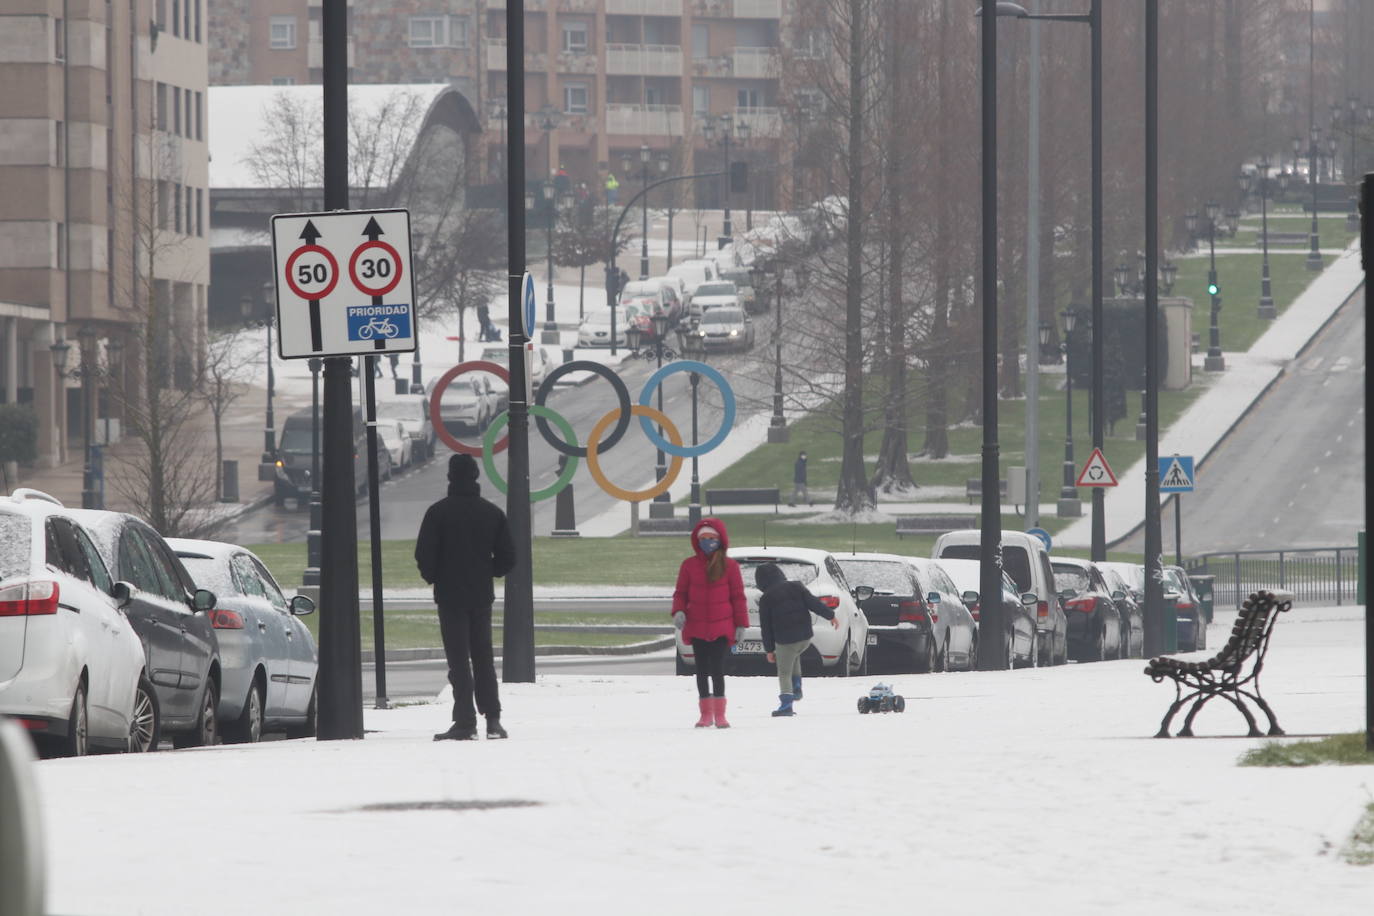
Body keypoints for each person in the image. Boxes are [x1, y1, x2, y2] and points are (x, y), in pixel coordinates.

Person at [415, 454, 517, 741]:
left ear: (450, 477)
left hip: (449, 595)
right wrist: (488, 571)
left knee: (458, 660)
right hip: (481, 593)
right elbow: (509, 556)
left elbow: (424, 555)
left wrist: (435, 576)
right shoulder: (492, 513)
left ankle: (465, 721)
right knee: (483, 657)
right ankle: (493, 719)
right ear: (475, 477)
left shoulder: (438, 513)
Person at [671, 518, 748, 728]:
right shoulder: (689, 565)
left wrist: (741, 624)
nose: (707, 542)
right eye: (703, 538)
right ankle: (705, 714)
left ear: (720, 540)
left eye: (711, 538)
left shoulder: (730, 566)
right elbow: (681, 593)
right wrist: (678, 611)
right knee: (702, 670)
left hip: (721, 627)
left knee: (717, 669)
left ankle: (720, 714)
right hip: (697, 625)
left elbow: (738, 597)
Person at [755, 562, 839, 717]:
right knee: (794, 656)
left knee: (784, 671)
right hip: (805, 637)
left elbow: (765, 627)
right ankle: (797, 687)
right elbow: (814, 603)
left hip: (785, 640)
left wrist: (769, 650)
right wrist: (831, 615)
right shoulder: (796, 587)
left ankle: (786, 704)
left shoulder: (766, 599)